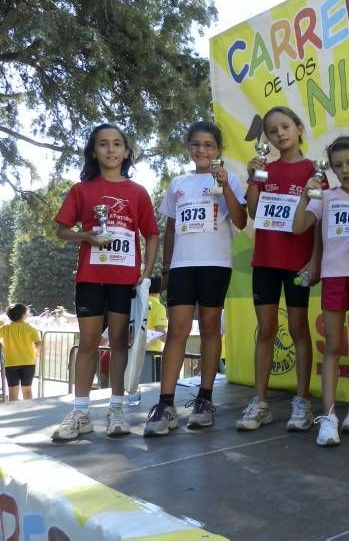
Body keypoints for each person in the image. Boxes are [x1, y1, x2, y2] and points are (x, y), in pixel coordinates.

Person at [53, 123, 159, 440]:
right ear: (94, 151)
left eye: (117, 144)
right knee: (87, 343)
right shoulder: (81, 190)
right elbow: (60, 230)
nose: (111, 150)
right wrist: (85, 235)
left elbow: (151, 233)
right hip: (90, 278)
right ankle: (81, 412)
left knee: (118, 343)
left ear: (126, 152)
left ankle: (116, 408)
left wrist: (146, 272)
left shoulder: (138, 192)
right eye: (103, 144)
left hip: (123, 281)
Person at [144, 122, 247, 435]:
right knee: (177, 329)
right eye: (196, 145)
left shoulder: (230, 179)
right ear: (188, 147)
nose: (202, 150)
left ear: (218, 150)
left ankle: (204, 399)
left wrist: (225, 185)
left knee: (211, 327)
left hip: (215, 264)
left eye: (209, 145)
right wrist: (166, 267)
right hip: (182, 266)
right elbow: (171, 228)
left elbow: (241, 221)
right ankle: (165, 404)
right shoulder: (178, 182)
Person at [292, 136, 349, 446]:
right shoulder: (325, 196)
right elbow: (298, 226)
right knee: (332, 345)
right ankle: (328, 417)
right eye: (338, 165)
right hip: (332, 277)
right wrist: (306, 195)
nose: (345, 170)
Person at [236, 106, 321, 432]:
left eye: (285, 126)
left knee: (299, 329)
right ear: (268, 138)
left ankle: (302, 402)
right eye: (273, 131)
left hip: (297, 263)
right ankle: (260, 403)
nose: (280, 134)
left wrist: (314, 261)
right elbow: (255, 213)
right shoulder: (264, 169)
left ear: (299, 128)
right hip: (266, 262)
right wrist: (254, 178)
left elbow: (318, 222)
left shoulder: (315, 171)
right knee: (266, 331)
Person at [0, 303, 41, 401]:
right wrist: (36, 353)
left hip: (11, 363)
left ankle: (14, 413)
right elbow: (38, 343)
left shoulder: (5, 329)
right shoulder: (31, 328)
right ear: (23, 315)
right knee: (27, 391)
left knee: (13, 392)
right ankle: (29, 412)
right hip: (28, 363)